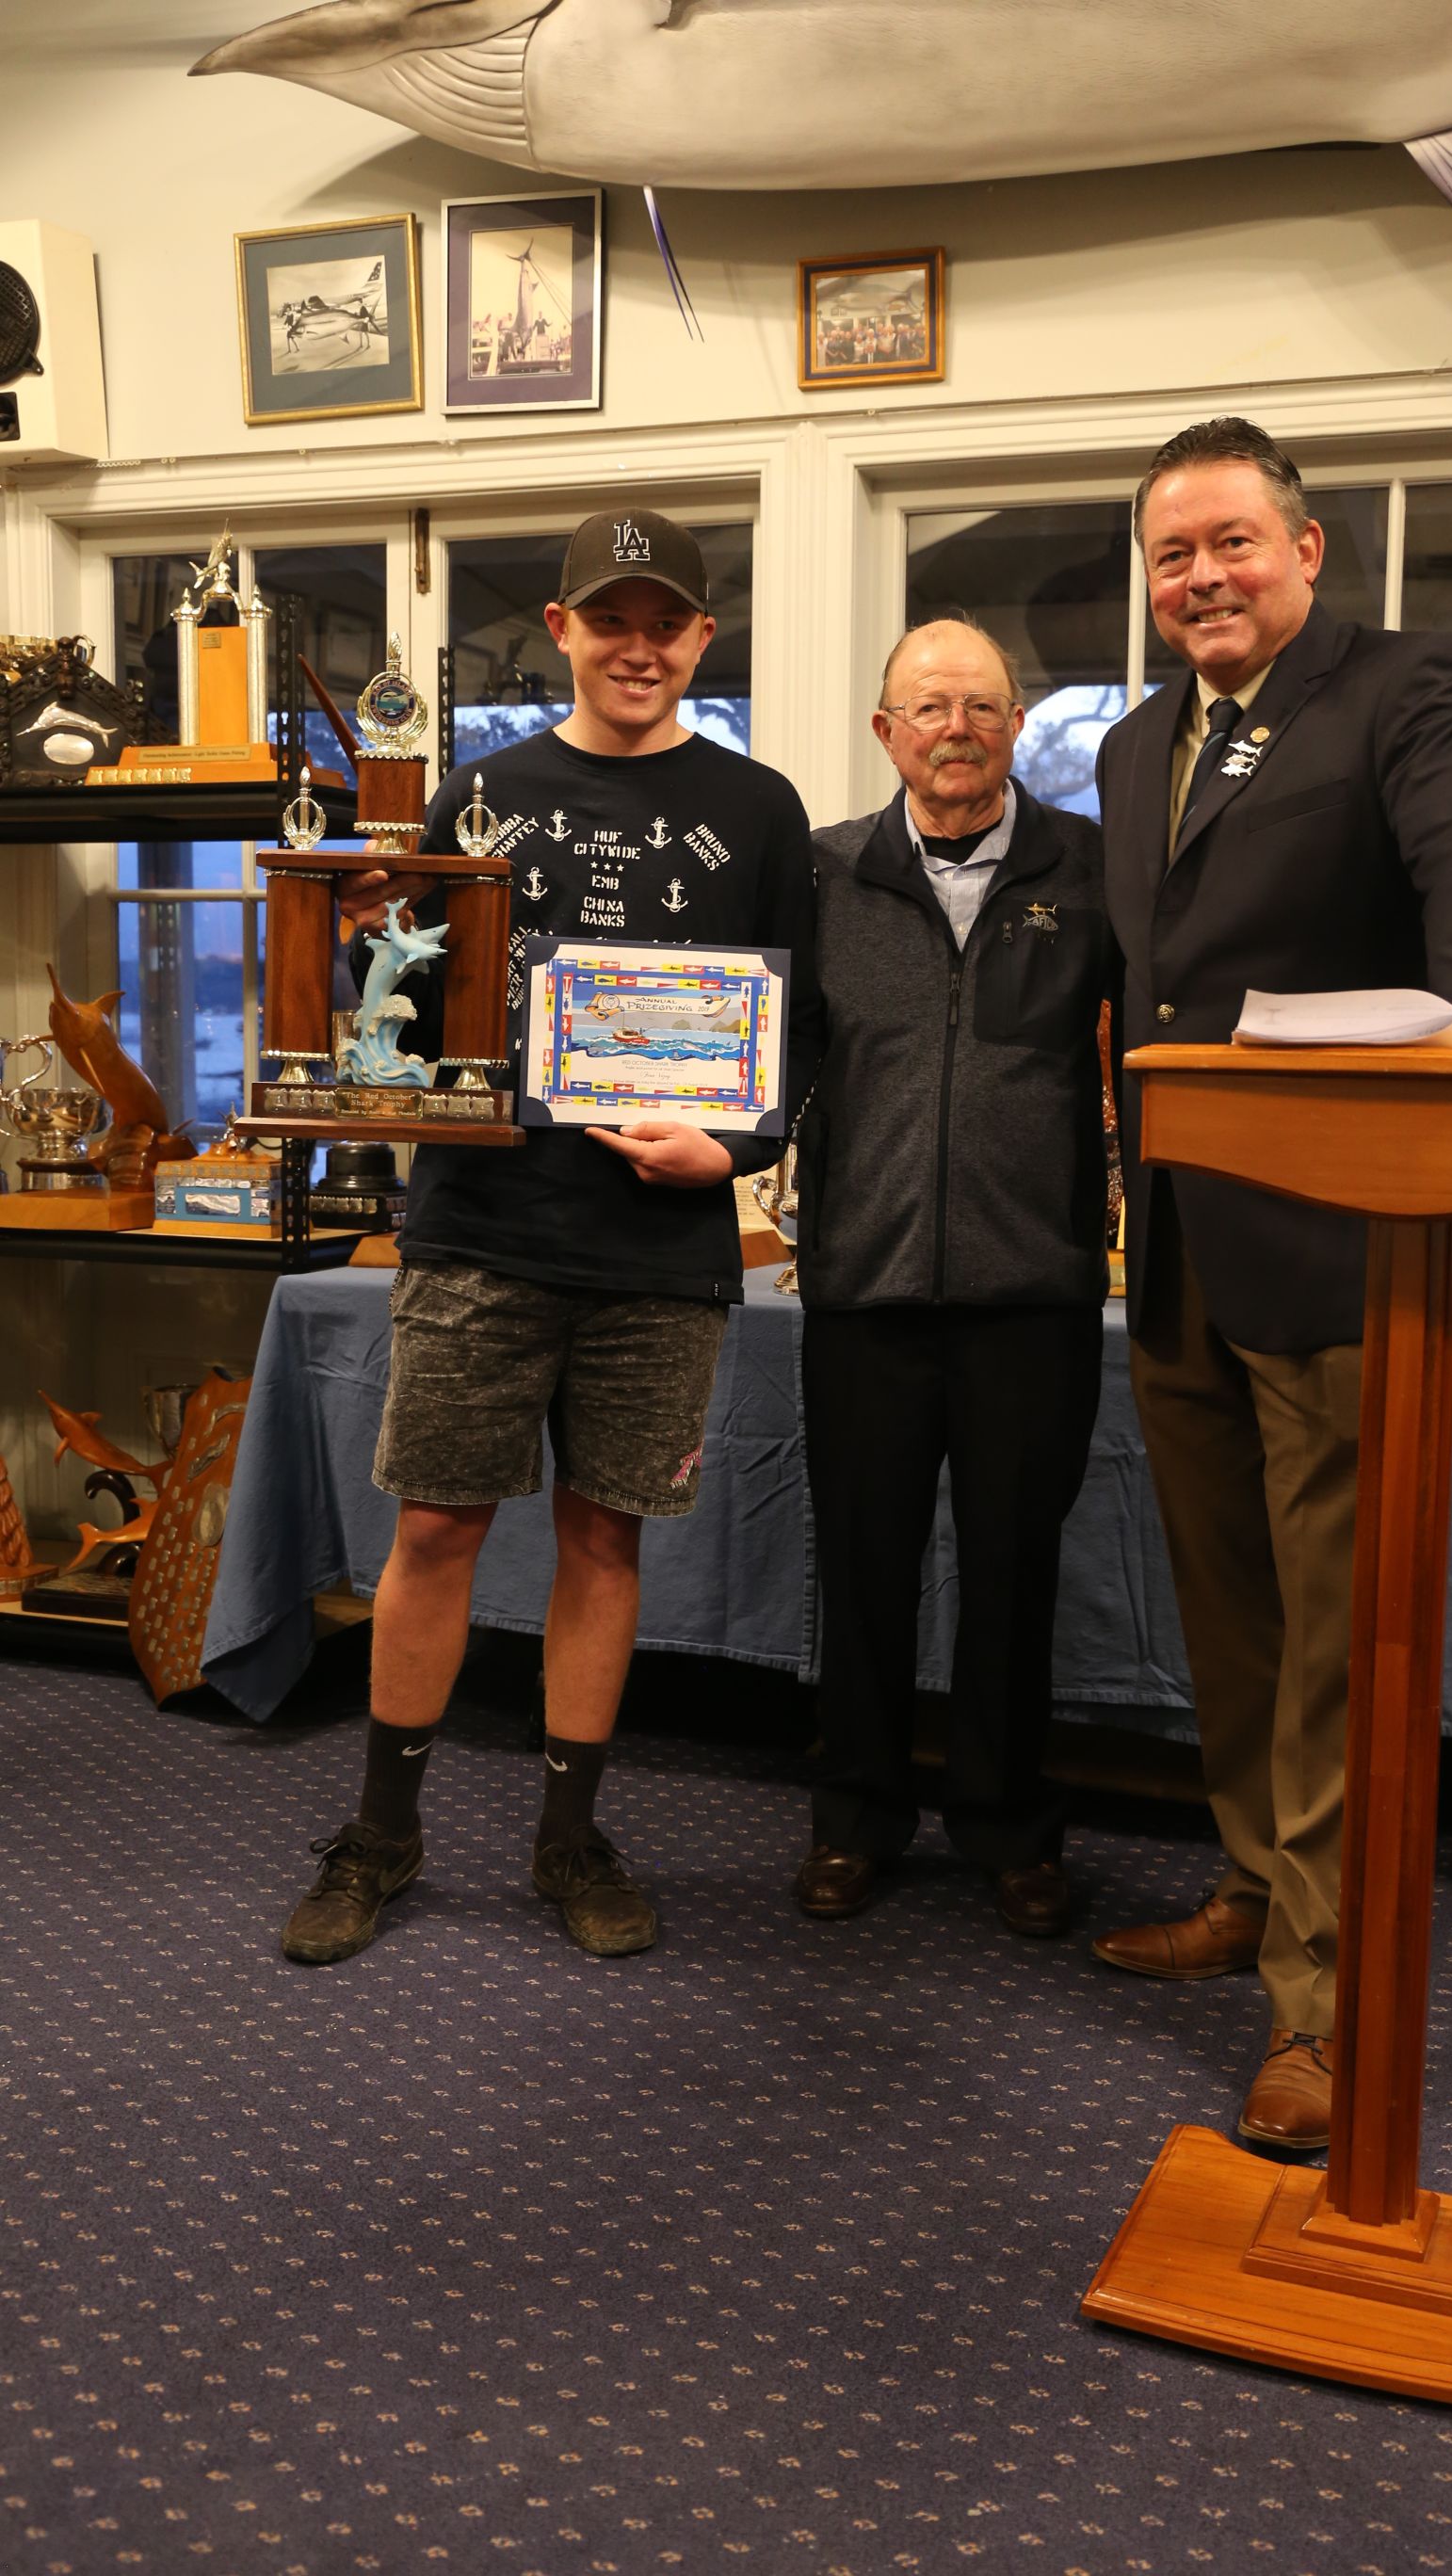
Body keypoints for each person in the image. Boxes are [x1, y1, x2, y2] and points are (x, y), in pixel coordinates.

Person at [1092, 418, 1452, 2146]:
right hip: (1182, 1251)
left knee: (1342, 1648)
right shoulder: (1135, 744)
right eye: (1172, 555)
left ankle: (1325, 1999)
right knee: (1234, 1618)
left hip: (1349, 1246)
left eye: (1231, 542)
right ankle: (1254, 1886)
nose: (1201, 577)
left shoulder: (1411, 690)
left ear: (1306, 549)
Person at [281, 508, 820, 1968]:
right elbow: (408, 1010)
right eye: (610, 620)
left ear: (703, 638)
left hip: (662, 1246)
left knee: (603, 1536)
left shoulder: (760, 808)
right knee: (435, 1527)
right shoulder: (478, 792)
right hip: (483, 1229)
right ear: (564, 629)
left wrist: (738, 1151)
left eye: (666, 623)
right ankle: (382, 1834)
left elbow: (799, 1033)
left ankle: (570, 1836)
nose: (639, 647)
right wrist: (356, 930)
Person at [794, 616, 1110, 1937]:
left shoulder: (1093, 871)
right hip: (862, 1289)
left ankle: (1009, 1825)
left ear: (1018, 725)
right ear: (887, 733)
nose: (956, 729)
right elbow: (758, 1057)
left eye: (981, 705)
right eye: (928, 707)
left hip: (1034, 1294)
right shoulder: (822, 874)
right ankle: (855, 1819)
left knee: (1015, 1577)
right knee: (861, 1572)